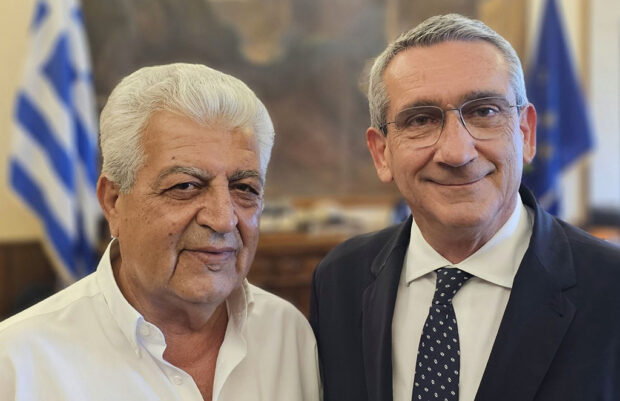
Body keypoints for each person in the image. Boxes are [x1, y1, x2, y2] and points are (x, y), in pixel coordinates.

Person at [310, 14, 620, 401]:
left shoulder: (610, 288)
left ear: (525, 133)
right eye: (421, 120)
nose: (457, 152)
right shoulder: (340, 280)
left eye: (484, 112)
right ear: (381, 153)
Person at [0, 63, 321, 401]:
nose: (223, 220)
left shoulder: (288, 336)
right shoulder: (18, 364)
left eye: (244, 188)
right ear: (113, 202)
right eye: (185, 186)